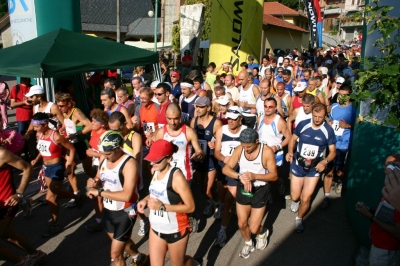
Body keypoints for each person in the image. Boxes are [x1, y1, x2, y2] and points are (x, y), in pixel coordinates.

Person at [86, 130, 148, 266]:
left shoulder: (129, 163)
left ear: (117, 148)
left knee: (115, 255)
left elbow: (127, 195)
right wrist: (93, 183)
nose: (105, 157)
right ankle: (139, 257)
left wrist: (100, 192)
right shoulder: (104, 157)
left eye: (108, 154)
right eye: (103, 153)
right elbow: (99, 177)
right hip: (109, 210)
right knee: (122, 243)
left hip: (126, 211)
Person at [137, 140, 199, 266]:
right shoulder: (155, 170)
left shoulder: (177, 177)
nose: (152, 163)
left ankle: (193, 263)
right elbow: (157, 192)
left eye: (157, 160)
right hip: (156, 228)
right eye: (151, 159)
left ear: (169, 158)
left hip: (176, 230)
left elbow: (191, 207)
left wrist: (162, 207)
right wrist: (145, 199)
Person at [222, 128, 277, 259]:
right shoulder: (240, 149)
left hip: (260, 190)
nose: (246, 149)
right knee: (241, 223)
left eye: (249, 146)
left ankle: (262, 232)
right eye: (243, 146)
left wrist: (254, 176)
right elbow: (226, 169)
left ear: (256, 141)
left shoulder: (267, 152)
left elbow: (274, 176)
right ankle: (248, 243)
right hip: (243, 189)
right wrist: (240, 175)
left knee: (254, 228)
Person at [153, 103, 205, 233]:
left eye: (176, 118)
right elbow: (156, 153)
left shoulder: (188, 132)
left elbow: (199, 150)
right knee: (168, 199)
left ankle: (188, 218)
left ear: (180, 117)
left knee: (183, 201)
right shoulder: (161, 133)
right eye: (169, 119)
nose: (173, 122)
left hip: (184, 174)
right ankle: (173, 223)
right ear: (165, 117)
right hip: (165, 173)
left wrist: (199, 154)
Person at [285, 103, 336, 233]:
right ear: (311, 113)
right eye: (315, 116)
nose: (317, 119)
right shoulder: (303, 124)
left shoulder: (328, 130)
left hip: (314, 168)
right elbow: (293, 139)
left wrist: (324, 161)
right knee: (295, 196)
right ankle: (296, 201)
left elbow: (333, 152)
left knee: (306, 198)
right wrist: (290, 151)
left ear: (325, 115)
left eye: (320, 116)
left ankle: (299, 219)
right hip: (299, 164)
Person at [30, 112, 82, 237]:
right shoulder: (40, 134)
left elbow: (72, 148)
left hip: (57, 168)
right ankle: (77, 197)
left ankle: (55, 225)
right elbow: (41, 149)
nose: (34, 129)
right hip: (46, 168)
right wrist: (36, 160)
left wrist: (69, 165)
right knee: (55, 194)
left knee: (50, 198)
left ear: (45, 124)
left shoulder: (56, 136)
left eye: (36, 126)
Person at [0, 147, 47, 266]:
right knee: (8, 236)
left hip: (6, 205)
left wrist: (19, 193)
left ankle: (21, 262)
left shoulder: (2, 154)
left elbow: (27, 168)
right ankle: (35, 254)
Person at [108, 112, 149, 238]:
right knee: (126, 207)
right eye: (112, 130)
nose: (115, 133)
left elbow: (136, 159)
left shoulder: (134, 136)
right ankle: (142, 221)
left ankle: (140, 223)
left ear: (125, 124)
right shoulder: (112, 136)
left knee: (131, 206)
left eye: (118, 129)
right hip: (117, 177)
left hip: (133, 177)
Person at [357, 154, 400, 266]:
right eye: (386, 164)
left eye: (392, 165)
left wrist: (371, 217)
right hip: (379, 242)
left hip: (386, 248)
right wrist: (369, 211)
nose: (387, 168)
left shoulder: (397, 194)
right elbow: (387, 216)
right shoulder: (390, 189)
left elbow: (397, 232)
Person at [213, 106, 247, 247]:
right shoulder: (222, 130)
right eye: (228, 118)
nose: (230, 121)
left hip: (237, 170)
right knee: (222, 197)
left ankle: (222, 231)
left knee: (227, 201)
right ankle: (225, 208)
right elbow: (216, 152)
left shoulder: (246, 132)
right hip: (223, 168)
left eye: (233, 119)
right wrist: (223, 158)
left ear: (240, 118)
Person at [322, 84, 356, 209]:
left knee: (339, 170)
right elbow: (330, 120)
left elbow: (357, 127)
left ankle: (340, 181)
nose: (342, 97)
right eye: (340, 94)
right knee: (328, 169)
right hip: (332, 143)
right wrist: (330, 123)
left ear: (350, 95)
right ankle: (326, 197)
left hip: (344, 144)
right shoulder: (334, 107)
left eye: (345, 95)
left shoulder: (353, 109)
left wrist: (348, 126)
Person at [56, 93, 93, 207]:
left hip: (82, 143)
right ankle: (77, 194)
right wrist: (62, 129)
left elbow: (90, 125)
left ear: (69, 103)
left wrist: (76, 134)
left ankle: (102, 184)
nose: (60, 108)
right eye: (58, 106)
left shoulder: (76, 112)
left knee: (88, 170)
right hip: (71, 145)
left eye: (61, 106)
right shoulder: (65, 112)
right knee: (69, 169)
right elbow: (67, 125)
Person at [190, 97, 223, 216]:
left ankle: (219, 202)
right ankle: (210, 201)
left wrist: (214, 143)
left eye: (201, 107)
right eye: (196, 106)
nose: (197, 109)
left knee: (207, 188)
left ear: (208, 108)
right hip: (198, 159)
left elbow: (221, 141)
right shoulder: (193, 121)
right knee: (201, 186)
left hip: (210, 158)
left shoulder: (216, 123)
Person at [258, 98, 291, 195]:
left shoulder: (279, 121)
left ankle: (279, 183)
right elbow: (258, 133)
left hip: (275, 154)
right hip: (262, 153)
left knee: (272, 177)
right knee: (263, 176)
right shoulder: (260, 119)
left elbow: (288, 137)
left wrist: (277, 147)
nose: (267, 109)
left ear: (275, 108)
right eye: (265, 106)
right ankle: (266, 196)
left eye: (270, 107)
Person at [84, 109, 109, 232]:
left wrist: (93, 153)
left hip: (105, 167)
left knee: (98, 195)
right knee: (97, 194)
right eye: (92, 120)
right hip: (96, 166)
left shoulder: (106, 135)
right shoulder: (94, 131)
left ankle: (100, 221)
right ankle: (100, 218)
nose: (92, 123)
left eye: (95, 121)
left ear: (103, 124)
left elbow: (109, 154)